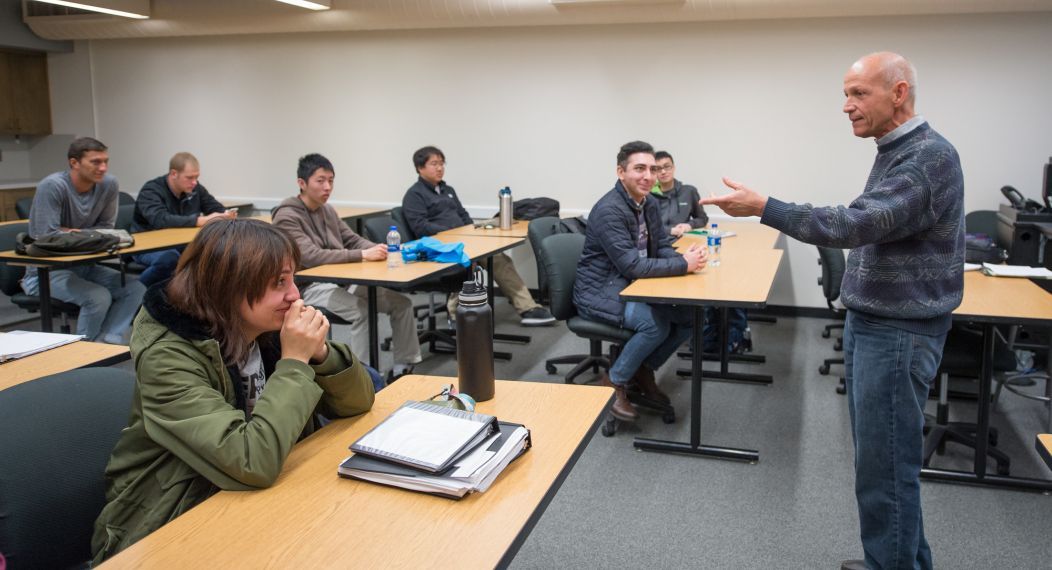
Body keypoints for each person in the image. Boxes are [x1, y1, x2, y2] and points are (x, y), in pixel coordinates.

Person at [700, 52, 963, 570]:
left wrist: (765, 208)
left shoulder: (927, 157)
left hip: (897, 331)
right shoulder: (898, 148)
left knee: (885, 470)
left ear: (899, 93)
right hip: (880, 323)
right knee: (887, 465)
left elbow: (853, 226)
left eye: (859, 93)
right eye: (846, 94)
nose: (846, 106)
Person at [91, 219, 376, 564]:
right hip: (169, 522)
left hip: (255, 495)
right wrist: (296, 362)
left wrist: (321, 354)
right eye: (278, 283)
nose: (295, 295)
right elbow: (250, 461)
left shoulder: (263, 326)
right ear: (228, 286)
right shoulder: (168, 357)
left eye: (292, 278)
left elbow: (359, 402)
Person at [573, 141, 706, 420]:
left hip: (632, 286)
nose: (648, 176)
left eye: (653, 169)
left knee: (690, 316)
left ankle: (641, 368)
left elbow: (662, 246)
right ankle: (615, 381)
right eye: (639, 168)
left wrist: (683, 259)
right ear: (621, 172)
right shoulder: (610, 210)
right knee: (654, 324)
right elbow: (631, 265)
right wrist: (682, 265)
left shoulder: (649, 204)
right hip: (601, 291)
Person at [273, 153, 423, 381]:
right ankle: (362, 376)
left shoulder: (328, 210)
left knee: (401, 304)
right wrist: (363, 254)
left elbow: (352, 239)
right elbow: (311, 256)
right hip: (310, 286)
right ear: (302, 183)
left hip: (342, 280)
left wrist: (379, 249)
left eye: (331, 180)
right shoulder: (287, 215)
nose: (327, 187)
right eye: (320, 180)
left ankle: (404, 367)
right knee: (361, 311)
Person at [402, 145, 555, 326]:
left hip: (463, 240)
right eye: (434, 164)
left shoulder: (447, 190)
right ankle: (456, 313)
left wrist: (470, 230)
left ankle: (528, 308)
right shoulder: (414, 195)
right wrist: (453, 233)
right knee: (469, 262)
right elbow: (421, 227)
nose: (439, 168)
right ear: (420, 168)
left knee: (499, 258)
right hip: (439, 246)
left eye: (442, 163)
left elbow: (463, 214)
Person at [21, 137, 145, 344]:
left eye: (106, 161)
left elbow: (106, 229)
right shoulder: (53, 186)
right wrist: (89, 235)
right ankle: (83, 351)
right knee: (98, 297)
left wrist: (72, 234)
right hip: (45, 273)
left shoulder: (108, 184)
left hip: (86, 265)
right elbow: (45, 237)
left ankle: (106, 341)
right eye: (95, 162)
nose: (103, 168)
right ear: (74, 163)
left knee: (137, 287)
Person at [130, 151, 236, 286]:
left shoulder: (195, 188)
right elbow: (160, 220)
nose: (194, 182)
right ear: (174, 174)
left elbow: (214, 207)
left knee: (215, 252)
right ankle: (137, 291)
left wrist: (225, 214)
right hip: (146, 245)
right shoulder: (151, 190)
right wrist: (200, 221)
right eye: (189, 177)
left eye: (196, 177)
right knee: (170, 259)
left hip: (178, 243)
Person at [651, 150, 708, 237]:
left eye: (667, 167)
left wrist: (689, 225)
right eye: (658, 169)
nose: (663, 172)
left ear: (673, 167)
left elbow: (702, 219)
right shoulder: (648, 195)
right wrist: (670, 231)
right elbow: (646, 226)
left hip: (682, 240)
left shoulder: (689, 191)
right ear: (654, 172)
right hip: (658, 243)